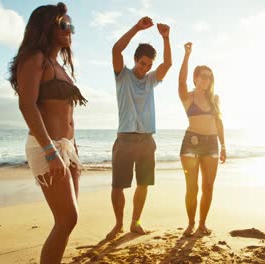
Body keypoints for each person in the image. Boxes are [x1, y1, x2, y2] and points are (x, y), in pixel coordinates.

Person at [8, 2, 87, 263]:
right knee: (67, 219)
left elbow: (66, 114)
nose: (69, 30)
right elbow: (26, 105)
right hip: (47, 147)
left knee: (68, 220)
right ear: (45, 27)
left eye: (71, 25)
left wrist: (72, 148)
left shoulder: (60, 66)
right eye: (63, 25)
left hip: (67, 148)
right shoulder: (35, 58)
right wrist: (50, 151)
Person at [106, 16, 172, 239]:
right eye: (142, 63)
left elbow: (168, 64)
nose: (145, 68)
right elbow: (116, 49)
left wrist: (166, 38)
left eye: (149, 65)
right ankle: (118, 224)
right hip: (124, 138)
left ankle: (135, 222)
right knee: (118, 186)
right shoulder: (122, 76)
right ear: (135, 60)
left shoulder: (151, 80)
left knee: (143, 184)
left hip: (146, 140)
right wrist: (136, 27)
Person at [178, 42, 226, 237]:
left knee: (208, 186)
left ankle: (202, 224)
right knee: (192, 186)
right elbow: (181, 82)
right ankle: (190, 224)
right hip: (191, 142)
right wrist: (187, 56)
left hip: (212, 143)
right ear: (196, 78)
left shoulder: (215, 99)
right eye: (202, 76)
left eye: (209, 76)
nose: (206, 79)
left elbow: (219, 122)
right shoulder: (187, 97)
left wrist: (223, 145)